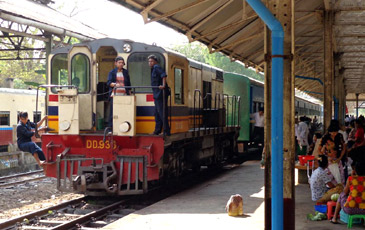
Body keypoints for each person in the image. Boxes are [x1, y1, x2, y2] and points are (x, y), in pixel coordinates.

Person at [148, 55, 170, 136]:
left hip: (160, 94)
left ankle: (166, 131)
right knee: (157, 113)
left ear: (155, 62)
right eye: (149, 61)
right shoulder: (153, 69)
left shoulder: (157, 67)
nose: (150, 63)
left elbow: (163, 75)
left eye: (151, 61)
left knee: (161, 112)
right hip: (156, 94)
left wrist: (163, 85)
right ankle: (157, 130)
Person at [106, 56, 132, 128]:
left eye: (122, 63)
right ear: (115, 63)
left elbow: (128, 84)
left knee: (123, 111)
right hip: (114, 95)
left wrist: (129, 93)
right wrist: (114, 84)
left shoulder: (126, 72)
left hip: (124, 95)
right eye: (119, 63)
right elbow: (108, 83)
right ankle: (110, 128)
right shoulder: (112, 72)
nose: (121, 64)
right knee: (113, 112)